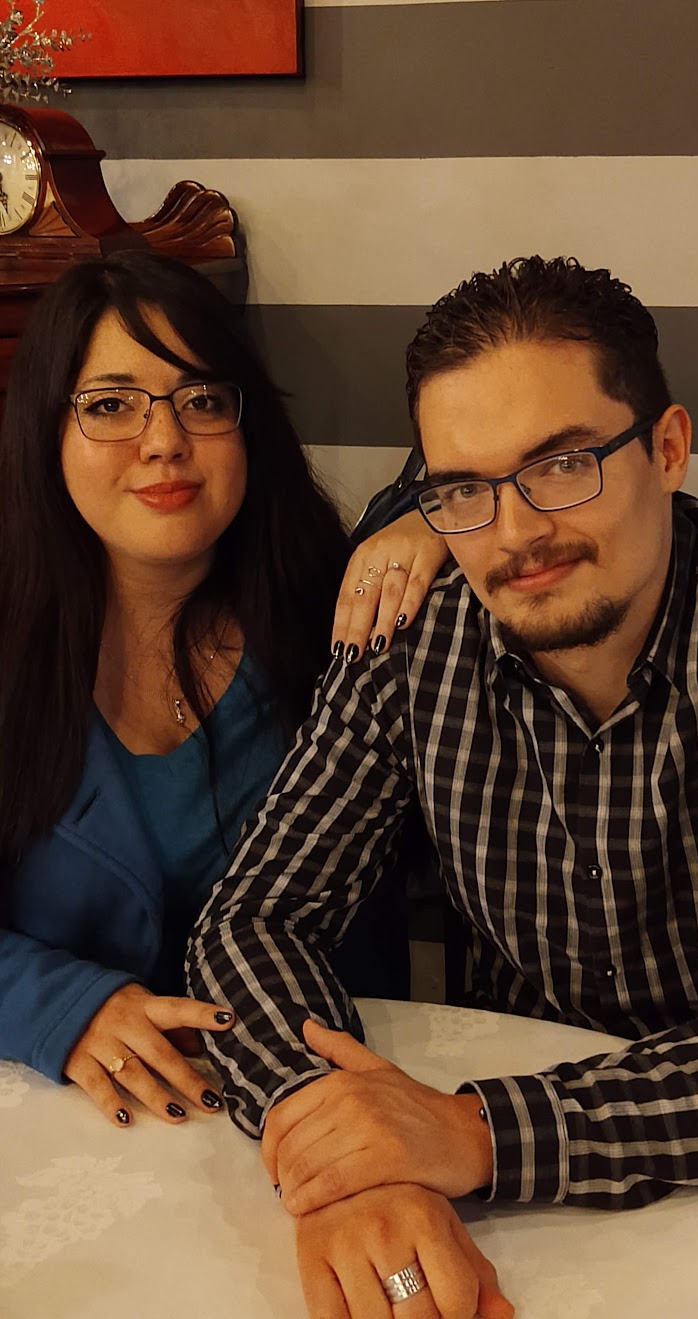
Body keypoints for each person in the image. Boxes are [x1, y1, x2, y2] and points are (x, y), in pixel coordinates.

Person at [189, 255, 698, 1319]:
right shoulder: (411, 638)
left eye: (563, 463)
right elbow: (254, 916)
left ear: (665, 448)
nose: (515, 532)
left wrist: (476, 1131)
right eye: (463, 488)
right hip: (520, 1188)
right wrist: (346, 1136)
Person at [0, 248, 449, 1131]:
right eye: (110, 405)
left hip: (333, 1104)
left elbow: (486, 467)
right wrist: (62, 1004)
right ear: (45, 433)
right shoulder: (12, 640)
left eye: (202, 399)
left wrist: (439, 522)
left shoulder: (337, 617)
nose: (164, 439)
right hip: (81, 1122)